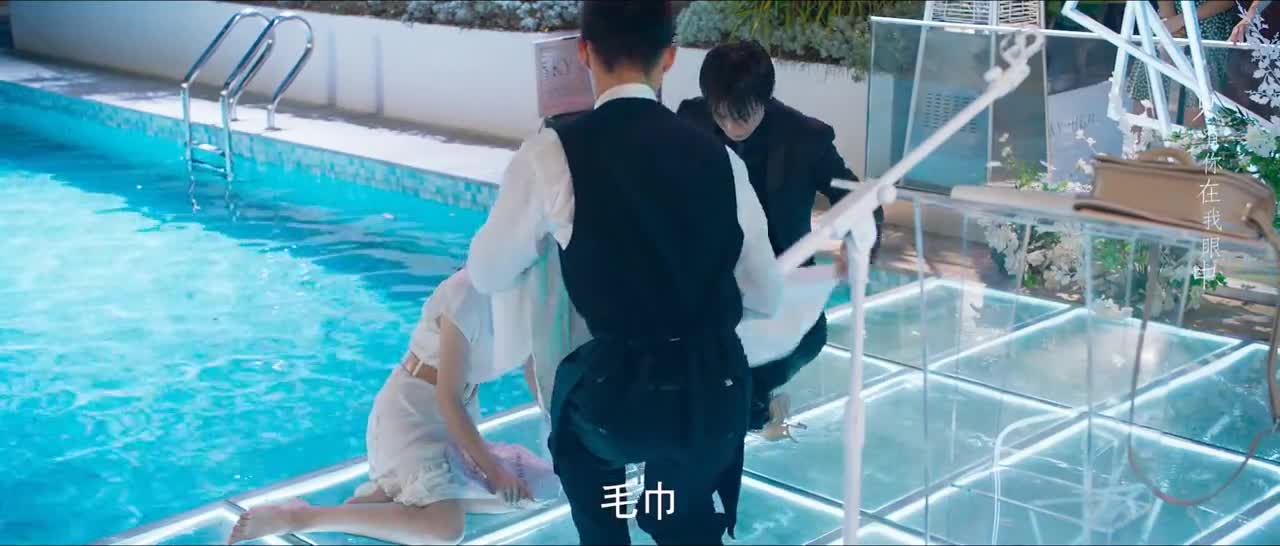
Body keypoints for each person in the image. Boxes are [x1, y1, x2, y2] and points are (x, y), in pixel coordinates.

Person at [465, 2, 790, 543]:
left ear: (583, 52)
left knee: (581, 444)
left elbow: (488, 271)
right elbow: (766, 295)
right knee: (677, 513)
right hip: (713, 393)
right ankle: (673, 517)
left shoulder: (552, 155)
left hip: (616, 402)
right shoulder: (722, 161)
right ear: (670, 57)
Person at [227, 270, 556, 545]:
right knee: (446, 530)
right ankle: (302, 516)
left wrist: (556, 420)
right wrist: (493, 471)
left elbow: (534, 366)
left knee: (540, 490)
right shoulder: (468, 293)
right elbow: (447, 398)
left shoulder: (537, 295)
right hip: (413, 417)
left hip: (459, 419)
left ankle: (393, 493)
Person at [676, 40, 882, 441]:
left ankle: (750, 406)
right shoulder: (690, 121)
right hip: (713, 273)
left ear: (765, 99)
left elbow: (856, 197)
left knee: (808, 339)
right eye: (721, 114)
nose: (731, 126)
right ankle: (753, 411)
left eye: (742, 114)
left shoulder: (805, 138)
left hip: (782, 273)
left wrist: (858, 244)